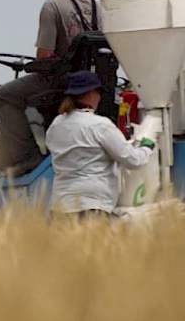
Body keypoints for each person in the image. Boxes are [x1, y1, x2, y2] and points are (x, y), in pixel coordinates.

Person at [0, 0, 102, 175]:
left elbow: (44, 55)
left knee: (5, 96)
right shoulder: (97, 5)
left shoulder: (52, 5)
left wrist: (34, 64)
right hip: (92, 79)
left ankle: (27, 157)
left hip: (59, 80)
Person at [45, 72, 155, 216]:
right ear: (91, 94)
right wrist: (147, 147)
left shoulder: (56, 124)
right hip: (91, 206)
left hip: (60, 206)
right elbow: (133, 160)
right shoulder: (99, 125)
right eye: (99, 93)